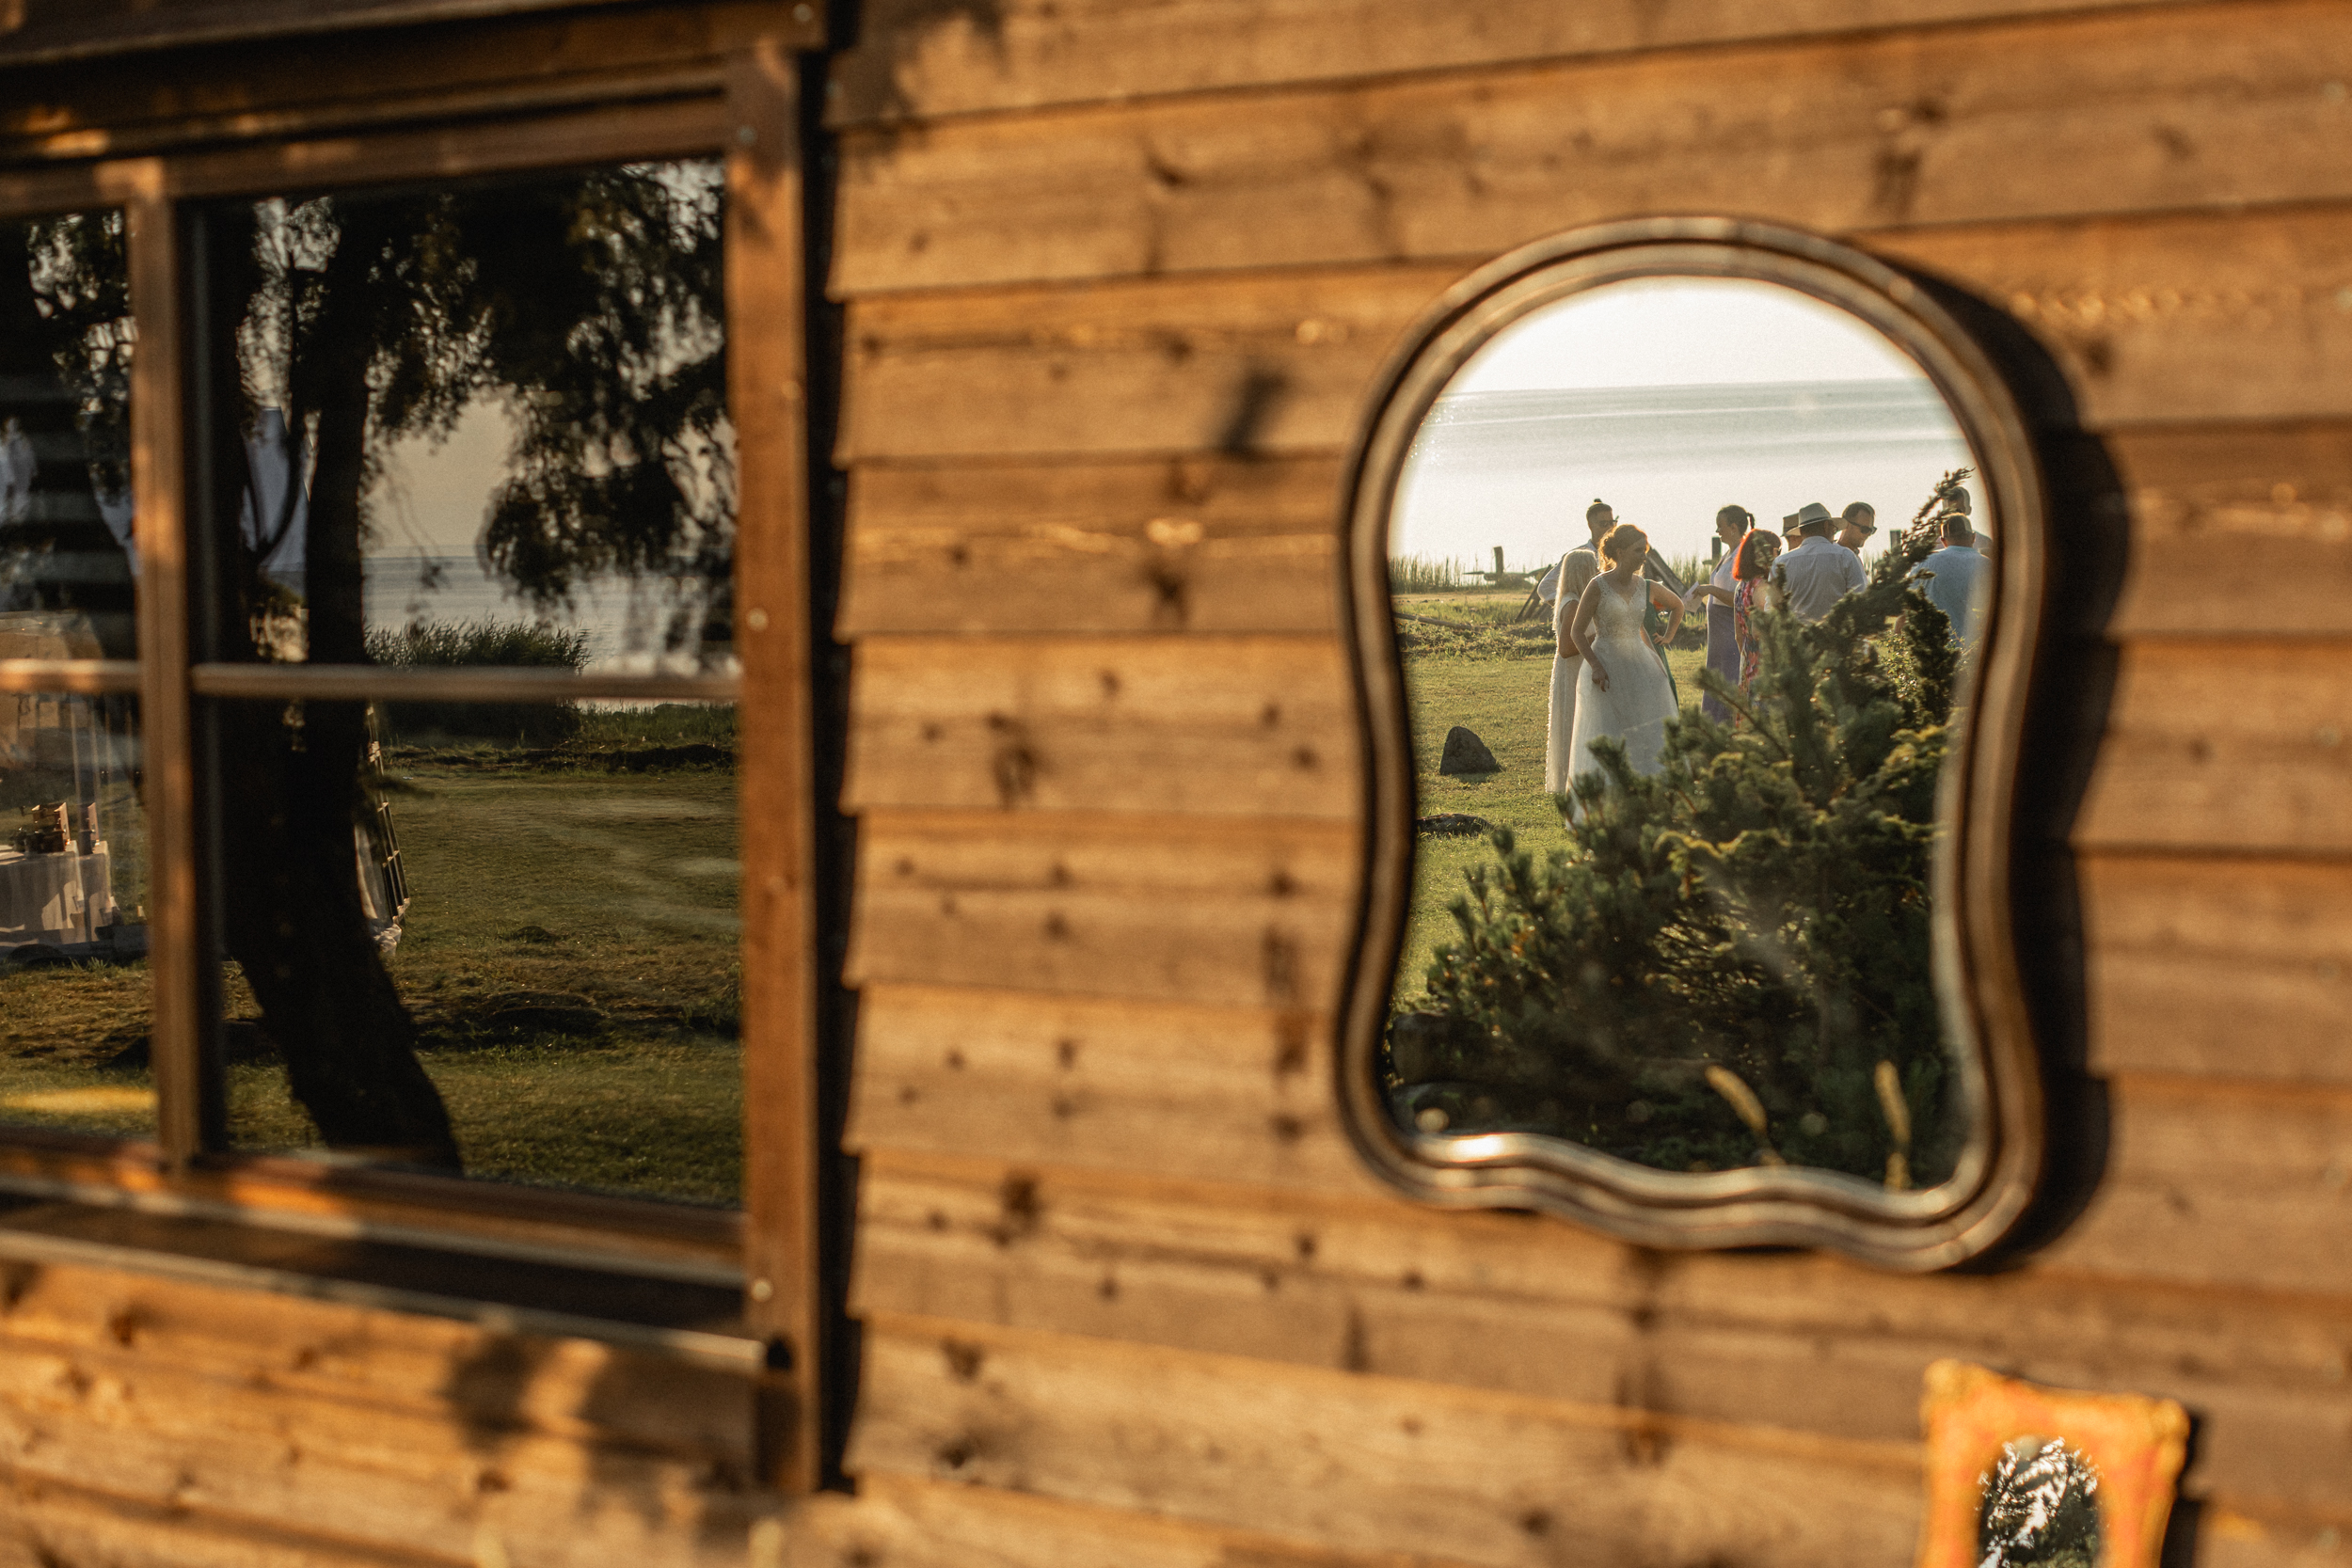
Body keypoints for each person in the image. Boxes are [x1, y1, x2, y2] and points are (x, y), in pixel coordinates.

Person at [1564, 522, 1684, 812]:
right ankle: (1607, 805)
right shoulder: (1598, 586)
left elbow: (1677, 606)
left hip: (1639, 662)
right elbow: (1577, 632)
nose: (1644, 556)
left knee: (1645, 729)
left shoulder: (1645, 586)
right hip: (1606, 664)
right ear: (1619, 551)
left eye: (1644, 550)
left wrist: (1660, 647)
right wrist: (1595, 665)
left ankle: (1649, 798)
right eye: (1637, 551)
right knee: (1610, 730)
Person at [1544, 499, 1613, 794]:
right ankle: (1572, 779)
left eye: (1611, 521)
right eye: (1603, 522)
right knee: (1574, 720)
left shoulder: (1610, 554)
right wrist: (1598, 633)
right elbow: (1567, 646)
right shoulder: (1572, 598)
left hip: (1581, 664)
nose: (1608, 527)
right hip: (1574, 666)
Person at [1682, 504, 1752, 723]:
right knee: (1717, 674)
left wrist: (1710, 590)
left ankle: (1729, 725)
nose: (1717, 531)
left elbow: (1739, 598)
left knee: (1729, 677)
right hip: (1718, 632)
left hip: (1730, 628)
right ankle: (1714, 723)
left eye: (1720, 526)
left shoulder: (1743, 554)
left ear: (1733, 527)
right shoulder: (1729, 554)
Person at [1773, 501, 1867, 622]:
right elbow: (1860, 602)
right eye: (1833, 529)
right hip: (1835, 637)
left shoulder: (1781, 562)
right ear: (1826, 526)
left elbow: (1771, 610)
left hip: (1795, 638)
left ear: (1801, 532)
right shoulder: (1845, 556)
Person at [1909, 509, 1991, 644]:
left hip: (1935, 648)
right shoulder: (1987, 565)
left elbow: (1907, 602)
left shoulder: (1925, 562)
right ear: (1973, 537)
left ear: (1943, 540)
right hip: (1973, 649)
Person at [1729, 527, 1783, 698]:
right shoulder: (1763, 588)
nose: (1779, 556)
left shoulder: (1741, 587)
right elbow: (1759, 631)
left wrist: (1748, 657)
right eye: (1778, 551)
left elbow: (1739, 635)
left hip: (1747, 662)